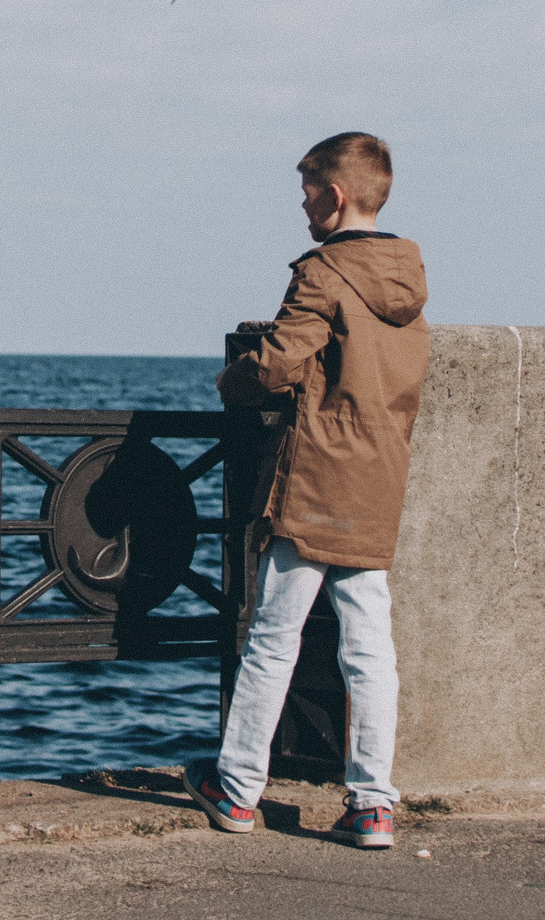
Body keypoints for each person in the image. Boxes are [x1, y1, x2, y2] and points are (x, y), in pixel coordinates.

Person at [184, 132, 430, 852]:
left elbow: (281, 361)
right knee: (370, 647)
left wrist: (230, 382)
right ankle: (374, 804)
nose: (301, 202)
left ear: (336, 194)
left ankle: (236, 789)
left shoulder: (325, 272)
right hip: (379, 472)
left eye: (307, 189)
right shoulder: (407, 276)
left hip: (319, 470)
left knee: (273, 637)